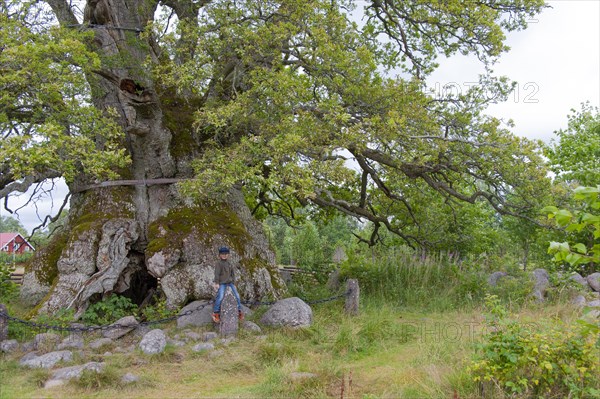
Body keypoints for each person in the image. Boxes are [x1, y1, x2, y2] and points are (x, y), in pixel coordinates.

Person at [212, 246, 243, 323]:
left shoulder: (229, 263)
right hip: (222, 283)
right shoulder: (218, 264)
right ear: (219, 255)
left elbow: (233, 274)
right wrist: (216, 283)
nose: (224, 255)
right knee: (220, 296)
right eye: (222, 254)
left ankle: (239, 311)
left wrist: (233, 282)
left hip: (230, 283)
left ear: (228, 255)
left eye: (226, 254)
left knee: (237, 296)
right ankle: (215, 312)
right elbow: (217, 274)